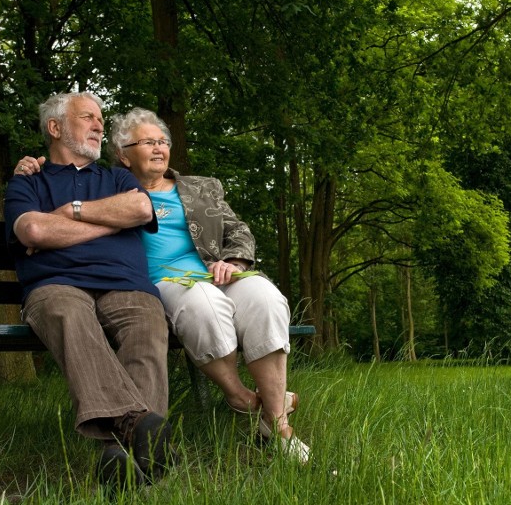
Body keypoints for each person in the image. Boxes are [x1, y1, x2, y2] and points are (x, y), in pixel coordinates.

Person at [16, 107, 310, 463]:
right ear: (123, 154)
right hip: (165, 282)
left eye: (163, 141)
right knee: (200, 302)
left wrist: (233, 261)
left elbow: (233, 228)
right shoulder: (108, 183)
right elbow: (41, 219)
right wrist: (42, 184)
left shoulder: (195, 187)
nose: (159, 148)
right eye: (148, 142)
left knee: (266, 298)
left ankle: (275, 422)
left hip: (214, 272)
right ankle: (213, 407)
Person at [4, 92, 174, 488]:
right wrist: (111, 222)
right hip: (56, 284)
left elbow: (142, 210)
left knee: (147, 325)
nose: (100, 125)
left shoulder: (117, 177)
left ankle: (119, 458)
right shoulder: (28, 181)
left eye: (101, 119)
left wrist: (70, 213)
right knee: (69, 314)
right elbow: (32, 229)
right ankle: (136, 428)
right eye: (88, 118)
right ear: (55, 127)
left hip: (125, 284)